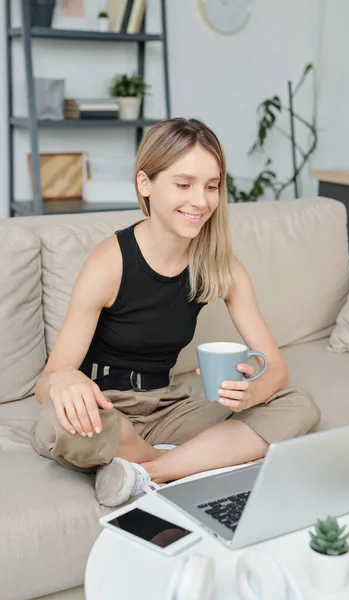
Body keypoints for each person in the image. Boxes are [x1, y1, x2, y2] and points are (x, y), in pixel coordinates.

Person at [31, 118, 320, 507]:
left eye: (211, 186)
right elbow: (46, 381)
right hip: (103, 405)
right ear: (145, 184)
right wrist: (65, 379)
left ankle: (150, 470)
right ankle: (181, 460)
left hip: (166, 406)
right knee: (61, 425)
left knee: (298, 405)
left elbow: (277, 369)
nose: (200, 201)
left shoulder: (220, 265)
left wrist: (254, 390)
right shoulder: (110, 262)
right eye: (184, 184)